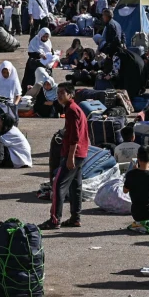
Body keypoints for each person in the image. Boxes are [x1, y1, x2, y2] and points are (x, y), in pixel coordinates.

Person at [40, 83, 89, 230]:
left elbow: (74, 137)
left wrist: (70, 157)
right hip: (80, 153)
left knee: (57, 185)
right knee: (75, 187)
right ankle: (75, 218)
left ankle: (55, 220)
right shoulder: (73, 109)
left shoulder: (72, 110)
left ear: (70, 95)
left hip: (74, 154)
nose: (59, 95)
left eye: (63, 93)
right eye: (58, 92)